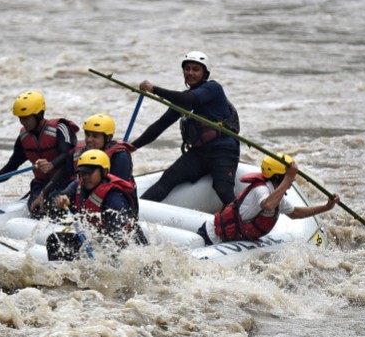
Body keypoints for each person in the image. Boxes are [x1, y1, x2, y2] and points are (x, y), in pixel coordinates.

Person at [130, 51, 240, 206]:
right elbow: (161, 124)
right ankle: (135, 214)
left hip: (223, 151)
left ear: (205, 73)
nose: (190, 73)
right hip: (199, 153)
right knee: (168, 178)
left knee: (222, 188)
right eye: (187, 69)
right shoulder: (183, 99)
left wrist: (154, 89)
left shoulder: (213, 88)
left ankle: (240, 223)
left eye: (196, 69)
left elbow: (190, 98)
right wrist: (132, 146)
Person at [0, 91, 78, 218]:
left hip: (66, 182)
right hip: (41, 185)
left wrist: (51, 164)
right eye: (20, 118)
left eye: (26, 117)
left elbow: (67, 155)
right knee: (37, 209)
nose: (22, 122)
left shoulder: (60, 129)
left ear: (39, 114)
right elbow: (12, 165)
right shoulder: (23, 138)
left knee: (52, 204)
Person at [197, 154, 339, 244]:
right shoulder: (261, 190)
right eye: (289, 178)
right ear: (278, 177)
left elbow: (296, 213)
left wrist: (326, 207)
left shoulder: (276, 196)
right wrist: (288, 178)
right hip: (211, 235)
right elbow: (268, 205)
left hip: (229, 237)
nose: (291, 181)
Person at [48, 150, 147, 260]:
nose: (85, 177)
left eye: (89, 173)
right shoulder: (79, 184)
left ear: (104, 172)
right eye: (82, 173)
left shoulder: (115, 199)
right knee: (55, 240)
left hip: (128, 247)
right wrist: (60, 199)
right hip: (100, 241)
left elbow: (119, 238)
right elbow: (58, 196)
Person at [72, 113, 136, 182]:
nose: (89, 140)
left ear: (108, 137)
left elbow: (119, 186)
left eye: (95, 136)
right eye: (87, 135)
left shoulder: (119, 157)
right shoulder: (81, 151)